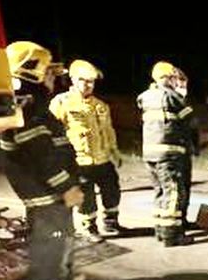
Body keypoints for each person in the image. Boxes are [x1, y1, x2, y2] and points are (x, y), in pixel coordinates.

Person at [1, 41, 85, 280]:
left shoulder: (34, 107)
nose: (52, 78)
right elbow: (43, 158)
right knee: (51, 239)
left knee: (63, 234)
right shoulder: (28, 111)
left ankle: (62, 275)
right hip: (45, 191)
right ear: (31, 73)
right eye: (48, 72)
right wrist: (67, 187)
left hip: (50, 189)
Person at [50, 59, 123, 240]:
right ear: (73, 80)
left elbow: (108, 131)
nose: (88, 85)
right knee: (86, 196)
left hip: (102, 159)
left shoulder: (100, 105)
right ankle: (88, 227)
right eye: (83, 80)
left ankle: (111, 222)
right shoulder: (62, 102)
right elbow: (52, 131)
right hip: (79, 161)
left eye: (91, 81)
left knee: (112, 190)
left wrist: (114, 151)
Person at [137, 61, 198, 246]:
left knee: (160, 192)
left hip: (150, 154)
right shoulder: (172, 97)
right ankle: (172, 236)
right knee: (173, 193)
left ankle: (161, 230)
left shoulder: (145, 97)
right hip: (170, 154)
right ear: (169, 78)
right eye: (173, 78)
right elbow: (190, 120)